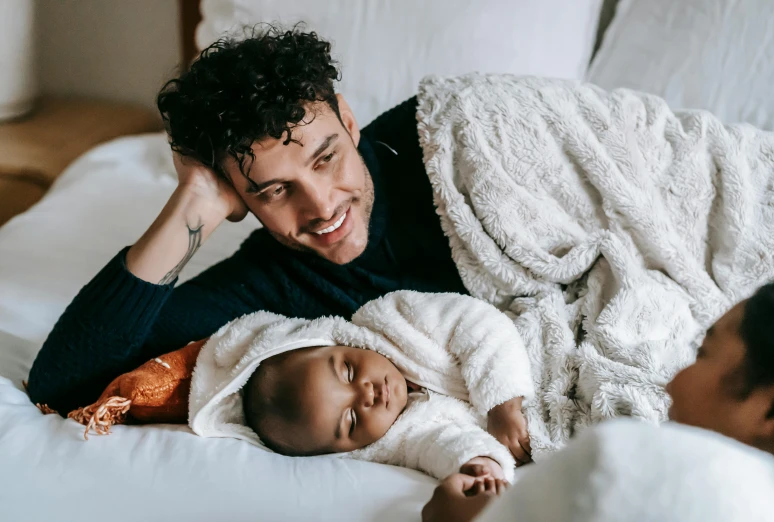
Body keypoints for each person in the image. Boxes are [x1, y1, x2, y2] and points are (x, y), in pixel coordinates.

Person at [26, 26, 466, 414]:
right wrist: (194, 201)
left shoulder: (448, 139)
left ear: (348, 121)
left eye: (326, 158)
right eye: (275, 190)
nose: (321, 207)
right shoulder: (271, 281)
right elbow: (62, 386)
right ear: (237, 194)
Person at [422, 280, 774, 522]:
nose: (672, 382)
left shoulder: (626, 462)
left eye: (703, 353)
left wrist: (462, 516)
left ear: (771, 409)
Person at [188, 290, 535, 481]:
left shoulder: (394, 318)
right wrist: (477, 464)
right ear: (346, 450)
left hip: (532, 353)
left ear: (337, 341)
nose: (367, 394)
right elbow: (441, 445)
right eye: (350, 421)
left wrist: (502, 405)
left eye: (349, 372)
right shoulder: (395, 443)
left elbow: (479, 324)